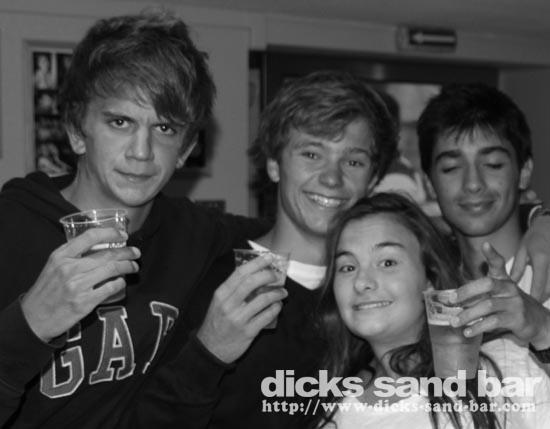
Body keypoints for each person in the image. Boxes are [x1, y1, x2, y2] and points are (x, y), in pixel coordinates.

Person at [0, 11, 273, 428]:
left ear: (185, 150)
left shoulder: (193, 233)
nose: (141, 152)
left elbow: (290, 237)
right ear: (76, 131)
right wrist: (29, 324)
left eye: (164, 128)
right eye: (120, 122)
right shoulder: (11, 228)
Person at [131, 70, 399, 428]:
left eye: (353, 162)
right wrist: (209, 351)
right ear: (274, 164)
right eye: (312, 154)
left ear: (373, 179)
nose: (332, 178)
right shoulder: (218, 280)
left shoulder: (377, 293)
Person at [316, 193, 550, 429]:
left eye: (387, 263)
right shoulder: (330, 411)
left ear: (429, 278)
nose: (361, 282)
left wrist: (543, 329)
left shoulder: (504, 363)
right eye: (347, 267)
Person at [417, 83, 550, 358]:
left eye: (493, 164)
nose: (473, 183)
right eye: (451, 168)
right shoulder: (422, 288)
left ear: (524, 172)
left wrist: (542, 328)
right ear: (430, 183)